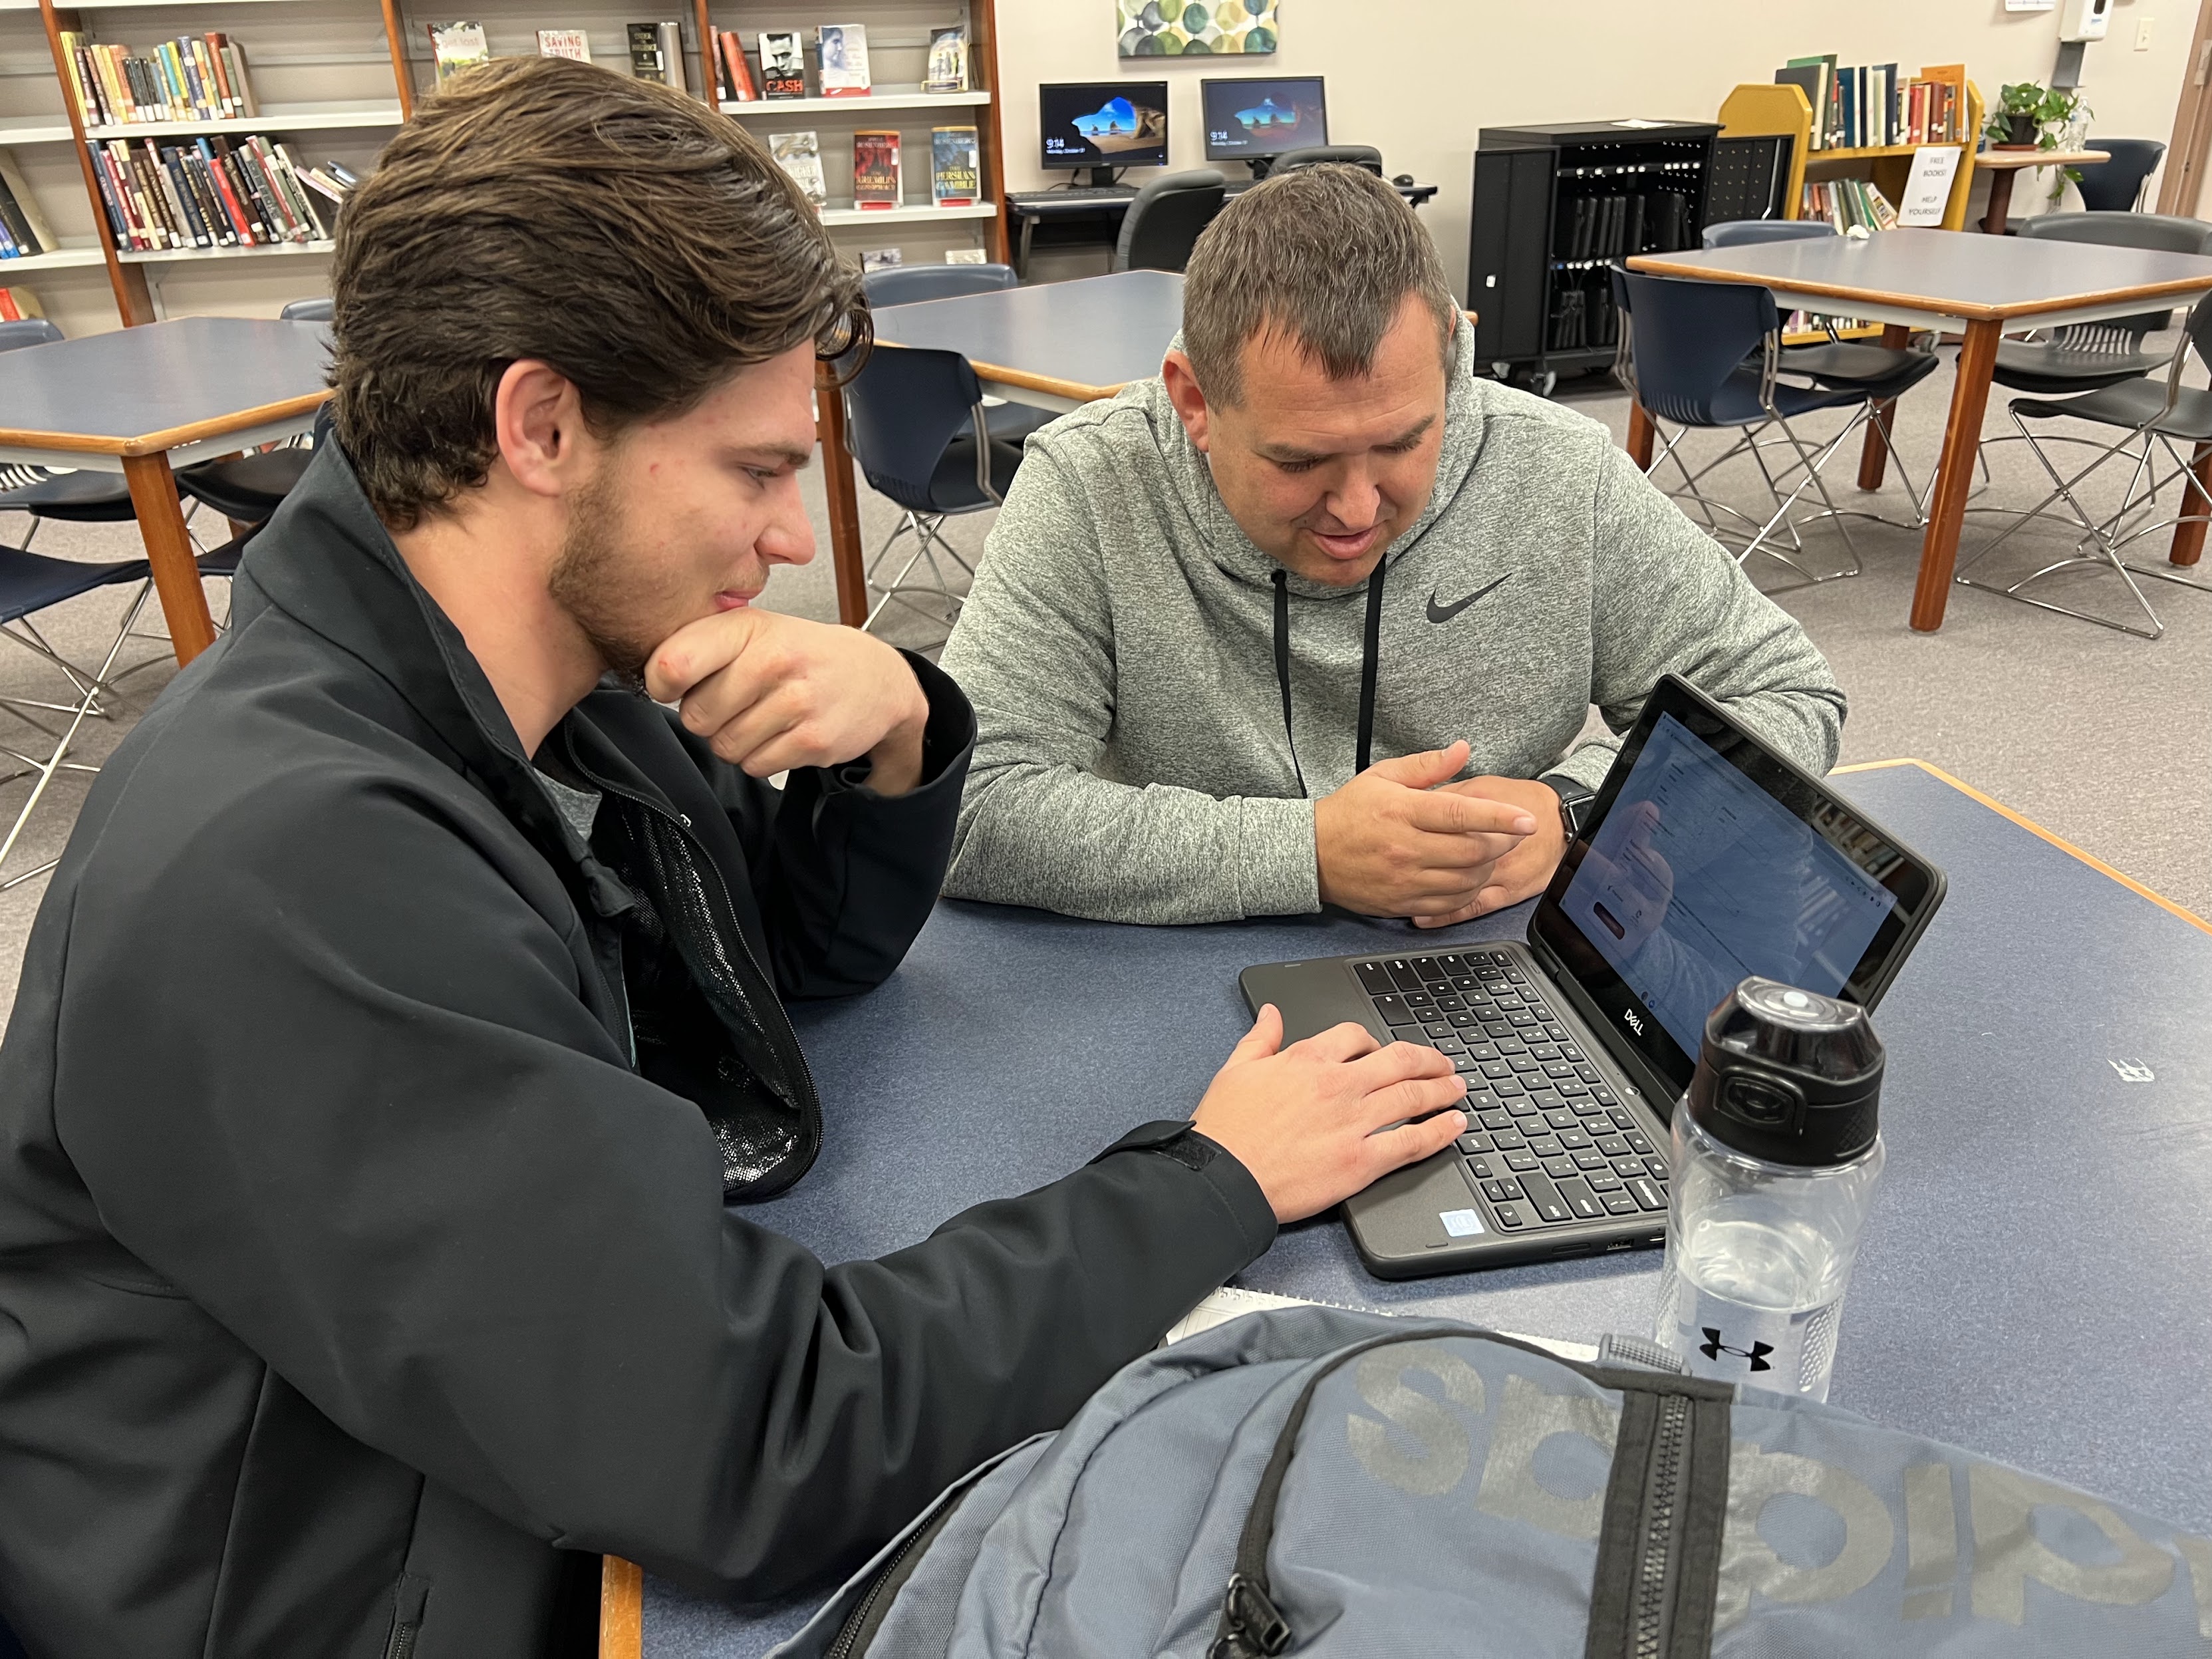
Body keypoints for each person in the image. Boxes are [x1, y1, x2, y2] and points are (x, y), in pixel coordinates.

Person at [0, 63, 1472, 1658]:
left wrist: (902, 731)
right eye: (759, 471)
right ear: (543, 424)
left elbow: (769, 966)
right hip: (342, 1589)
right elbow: (753, 1438)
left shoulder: (542, 691)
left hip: (467, 1473)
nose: (791, 539)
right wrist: (1209, 1183)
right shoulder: (291, 863)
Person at [938, 164, 1847, 927]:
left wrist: (1573, 811)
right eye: (1300, 459)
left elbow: (1785, 694)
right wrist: (1307, 854)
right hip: (1169, 965)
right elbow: (970, 806)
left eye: (1406, 441)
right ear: (1193, 401)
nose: (1356, 507)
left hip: (1496, 968)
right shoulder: (1088, 485)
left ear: (1452, 356)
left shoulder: (1558, 469)